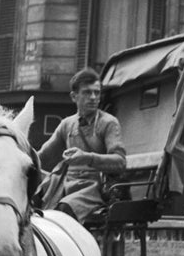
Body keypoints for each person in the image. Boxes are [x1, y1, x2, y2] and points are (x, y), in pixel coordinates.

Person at [36, 68, 127, 220]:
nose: (93, 97)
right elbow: (42, 156)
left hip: (94, 188)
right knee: (33, 201)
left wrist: (87, 157)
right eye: (87, 92)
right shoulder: (67, 124)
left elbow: (120, 162)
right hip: (64, 184)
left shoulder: (108, 123)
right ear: (74, 96)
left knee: (64, 210)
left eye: (96, 93)